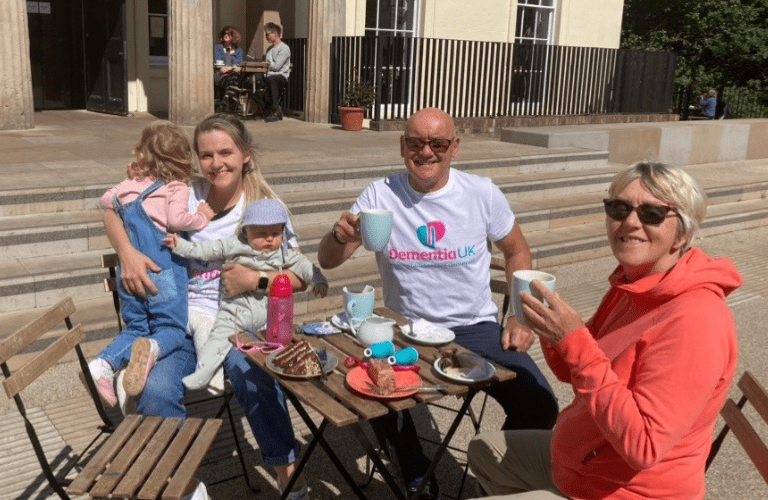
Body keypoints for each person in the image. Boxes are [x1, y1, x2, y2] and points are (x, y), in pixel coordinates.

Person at [317, 107, 559, 499]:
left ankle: (500, 475)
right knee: (374, 386)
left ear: (454, 147)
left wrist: (518, 314)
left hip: (474, 327)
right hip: (405, 327)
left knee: (540, 401)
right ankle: (416, 476)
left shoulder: (480, 193)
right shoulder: (381, 195)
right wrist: (339, 233)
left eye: (438, 143)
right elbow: (328, 261)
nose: (426, 151)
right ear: (402, 146)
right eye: (415, 142)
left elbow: (517, 251)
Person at [467, 162, 742, 500]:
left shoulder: (695, 319)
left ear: (683, 233)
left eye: (652, 213)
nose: (630, 222)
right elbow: (571, 370)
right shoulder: (631, 283)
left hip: (630, 492)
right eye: (619, 208)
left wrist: (574, 338)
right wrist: (551, 328)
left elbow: (643, 446)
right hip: (584, 464)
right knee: (482, 450)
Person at [104, 113, 312, 500]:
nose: (216, 163)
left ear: (246, 154)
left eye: (226, 152)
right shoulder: (181, 192)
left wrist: (255, 280)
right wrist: (126, 252)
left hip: (238, 322)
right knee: (154, 388)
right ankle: (182, 483)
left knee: (249, 370)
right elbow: (113, 208)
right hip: (177, 321)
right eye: (206, 154)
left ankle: (287, 472)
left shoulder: (264, 207)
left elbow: (299, 276)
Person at [87, 120, 213, 407]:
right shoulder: (175, 186)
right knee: (171, 329)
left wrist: (129, 177)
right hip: (162, 271)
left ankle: (103, 365)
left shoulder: (126, 187)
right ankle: (152, 352)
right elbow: (177, 220)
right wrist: (202, 216)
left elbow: (107, 204)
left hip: (128, 276)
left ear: (142, 157)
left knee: (136, 328)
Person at [164, 198, 328, 390]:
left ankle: (291, 372)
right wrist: (180, 245)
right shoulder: (234, 244)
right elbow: (205, 250)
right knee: (216, 339)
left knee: (281, 348)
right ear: (245, 232)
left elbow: (305, 266)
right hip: (235, 312)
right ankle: (203, 373)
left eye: (275, 233)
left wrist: (318, 280)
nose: (269, 239)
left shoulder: (283, 253)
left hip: (270, 314)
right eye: (261, 234)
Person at [257, 22, 290, 122]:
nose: (266, 36)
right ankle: (265, 109)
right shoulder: (269, 49)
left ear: (275, 33)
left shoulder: (284, 48)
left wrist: (264, 65)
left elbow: (276, 67)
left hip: (280, 76)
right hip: (269, 75)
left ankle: (274, 110)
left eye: (268, 34)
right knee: (251, 81)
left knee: (272, 79)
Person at [214, 25, 244, 112]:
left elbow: (239, 64)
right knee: (233, 80)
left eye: (228, 34)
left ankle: (227, 98)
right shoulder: (218, 47)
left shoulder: (239, 50)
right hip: (221, 74)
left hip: (234, 75)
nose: (225, 36)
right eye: (224, 34)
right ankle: (232, 105)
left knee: (234, 78)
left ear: (233, 36)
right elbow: (219, 63)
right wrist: (233, 68)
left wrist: (230, 68)